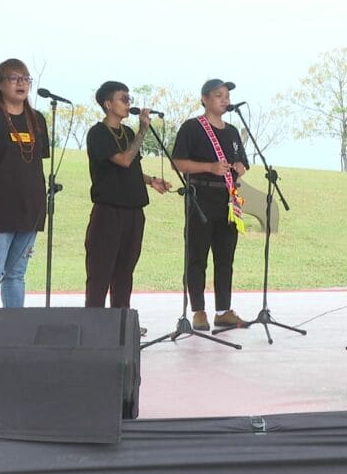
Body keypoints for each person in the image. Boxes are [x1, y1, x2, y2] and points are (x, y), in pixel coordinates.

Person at [0, 59, 49, 308]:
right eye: (14, 78)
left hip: (30, 208)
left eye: (25, 79)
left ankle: (14, 325)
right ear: (0, 83)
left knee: (17, 273)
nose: (21, 84)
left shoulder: (37, 119)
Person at [85, 81, 171, 314]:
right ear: (108, 104)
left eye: (129, 99)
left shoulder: (128, 133)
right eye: (123, 99)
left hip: (133, 211)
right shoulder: (98, 133)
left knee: (125, 270)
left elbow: (131, 167)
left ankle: (121, 320)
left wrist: (151, 180)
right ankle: (93, 321)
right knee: (101, 270)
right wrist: (143, 131)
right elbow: (123, 160)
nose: (128, 103)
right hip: (108, 211)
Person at [172, 79, 250, 331]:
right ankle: (198, 311)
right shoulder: (192, 127)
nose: (225, 100)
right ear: (205, 99)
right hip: (201, 199)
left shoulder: (233, 131)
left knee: (225, 258)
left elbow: (243, 163)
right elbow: (178, 163)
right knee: (197, 256)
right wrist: (210, 167)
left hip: (228, 201)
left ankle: (223, 311)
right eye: (219, 95)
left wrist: (240, 167)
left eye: (227, 96)